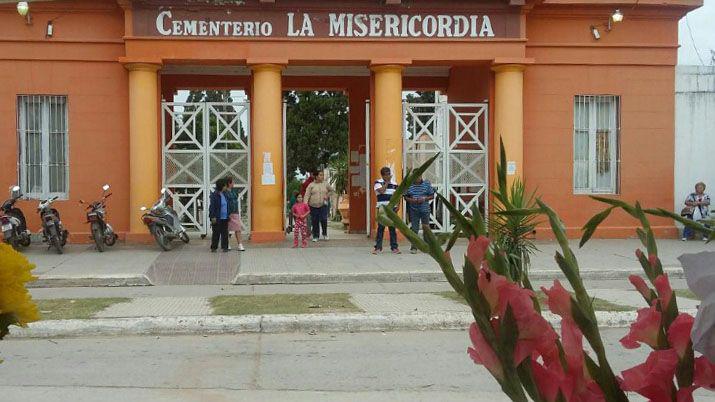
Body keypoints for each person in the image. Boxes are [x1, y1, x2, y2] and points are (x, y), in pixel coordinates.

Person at [373, 166, 400, 254]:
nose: (389, 176)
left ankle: (394, 247)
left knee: (392, 228)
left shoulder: (395, 184)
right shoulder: (378, 183)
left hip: (392, 208)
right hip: (382, 208)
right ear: (383, 175)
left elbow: (397, 195)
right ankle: (378, 247)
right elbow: (381, 191)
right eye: (387, 174)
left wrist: (398, 205)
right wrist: (387, 183)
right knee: (381, 228)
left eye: (389, 174)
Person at [404, 174, 435, 254]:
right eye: (415, 177)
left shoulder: (426, 184)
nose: (417, 179)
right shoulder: (410, 185)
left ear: (421, 176)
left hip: (425, 209)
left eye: (418, 177)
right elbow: (405, 197)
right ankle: (414, 247)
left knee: (426, 228)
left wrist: (424, 198)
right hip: (414, 210)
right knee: (414, 229)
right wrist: (412, 200)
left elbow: (432, 195)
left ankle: (427, 246)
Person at [304, 170, 335, 242]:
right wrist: (305, 204)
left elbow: (331, 190)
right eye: (320, 175)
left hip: (323, 205)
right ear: (316, 176)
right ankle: (315, 236)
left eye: (322, 175)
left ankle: (325, 234)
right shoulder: (311, 185)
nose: (322, 176)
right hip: (313, 206)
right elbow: (307, 195)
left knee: (324, 219)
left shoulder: (325, 184)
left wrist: (327, 195)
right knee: (315, 221)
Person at [208, 178, 230, 252]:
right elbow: (212, 207)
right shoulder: (214, 195)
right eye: (224, 185)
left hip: (225, 217)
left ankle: (225, 247)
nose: (226, 187)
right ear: (221, 186)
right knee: (216, 233)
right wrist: (212, 216)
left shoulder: (225, 194)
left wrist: (228, 214)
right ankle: (214, 247)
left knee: (225, 233)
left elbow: (227, 205)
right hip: (217, 217)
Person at [225, 176, 245, 251]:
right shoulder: (225, 192)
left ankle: (240, 244)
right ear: (229, 183)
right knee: (226, 229)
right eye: (233, 182)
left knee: (238, 228)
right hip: (228, 212)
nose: (234, 183)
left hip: (235, 212)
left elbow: (236, 196)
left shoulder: (234, 191)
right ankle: (227, 244)